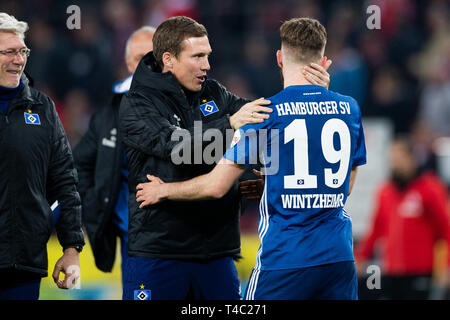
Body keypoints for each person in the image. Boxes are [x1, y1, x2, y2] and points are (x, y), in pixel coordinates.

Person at [135, 17, 366, 300]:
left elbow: (216, 186)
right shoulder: (348, 108)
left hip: (285, 260)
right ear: (323, 60)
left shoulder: (264, 114)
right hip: (339, 258)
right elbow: (347, 182)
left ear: (279, 58)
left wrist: (163, 190)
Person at [0, 13, 84, 300]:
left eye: (22, 51)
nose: (19, 59)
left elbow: (65, 182)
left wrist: (71, 249)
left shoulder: (43, 108)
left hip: (24, 265)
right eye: (9, 51)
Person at [73, 26, 155, 282]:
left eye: (154, 56)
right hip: (133, 239)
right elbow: (78, 165)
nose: (147, 65)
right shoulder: (109, 115)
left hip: (183, 239)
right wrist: (95, 204)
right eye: (141, 58)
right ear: (129, 64)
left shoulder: (192, 105)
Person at [355, 136, 450, 300]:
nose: (395, 164)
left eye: (399, 159)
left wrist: (447, 266)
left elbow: (446, 230)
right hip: (391, 270)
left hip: (420, 270)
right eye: (392, 160)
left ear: (411, 159)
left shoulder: (429, 189)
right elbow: (376, 229)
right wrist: (361, 257)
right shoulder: (385, 191)